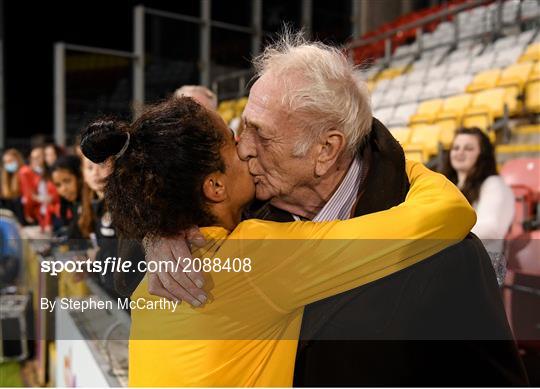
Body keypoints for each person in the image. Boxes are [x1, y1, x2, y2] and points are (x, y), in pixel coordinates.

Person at [142, 33, 528, 386]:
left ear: (325, 150)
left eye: (262, 134)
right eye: (243, 127)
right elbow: (134, 272)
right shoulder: (240, 208)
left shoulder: (450, 255)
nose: (243, 147)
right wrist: (162, 232)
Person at [82, 96, 476, 386]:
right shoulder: (256, 255)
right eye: (232, 142)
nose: (246, 148)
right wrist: (394, 160)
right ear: (215, 186)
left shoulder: (166, 265)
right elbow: (447, 213)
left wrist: (158, 232)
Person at [442, 127, 515, 285]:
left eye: (468, 148)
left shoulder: (494, 184)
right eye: (456, 148)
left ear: (483, 155)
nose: (460, 152)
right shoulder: (447, 185)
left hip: (480, 271)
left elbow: (491, 228)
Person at [81, 150, 119, 296]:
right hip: (107, 288)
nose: (95, 173)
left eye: (102, 165)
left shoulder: (122, 207)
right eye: (89, 167)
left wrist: (96, 256)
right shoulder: (92, 205)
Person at [50, 155, 93, 247]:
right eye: (58, 185)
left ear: (80, 177)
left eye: (67, 181)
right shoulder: (74, 204)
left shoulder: (93, 203)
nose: (63, 189)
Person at [18, 146, 58, 228]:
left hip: (53, 212)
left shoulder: (51, 172)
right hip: (39, 214)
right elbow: (29, 196)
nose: (35, 160)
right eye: (33, 158)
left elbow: (54, 195)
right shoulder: (29, 173)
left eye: (38, 157)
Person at [1, 149, 26, 223]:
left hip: (23, 215)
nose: (8, 164)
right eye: (6, 162)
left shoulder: (23, 173)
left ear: (17, 160)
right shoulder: (4, 176)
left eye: (10, 161)